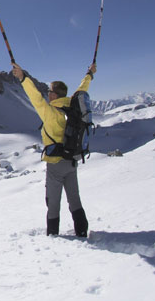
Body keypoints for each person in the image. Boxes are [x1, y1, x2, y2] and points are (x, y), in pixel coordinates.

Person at [12, 62, 96, 237]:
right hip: (72, 161)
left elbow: (35, 96)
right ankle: (81, 232)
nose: (47, 93)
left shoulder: (50, 112)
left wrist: (22, 77)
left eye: (50, 91)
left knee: (53, 202)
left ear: (54, 95)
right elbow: (82, 88)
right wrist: (89, 74)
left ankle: (53, 236)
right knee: (74, 199)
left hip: (55, 165)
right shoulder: (73, 107)